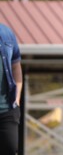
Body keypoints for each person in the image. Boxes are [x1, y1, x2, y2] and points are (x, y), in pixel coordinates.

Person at [0, 23, 23, 155]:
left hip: (7, 109)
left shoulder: (7, 33)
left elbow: (16, 67)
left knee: (10, 149)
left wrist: (17, 97)